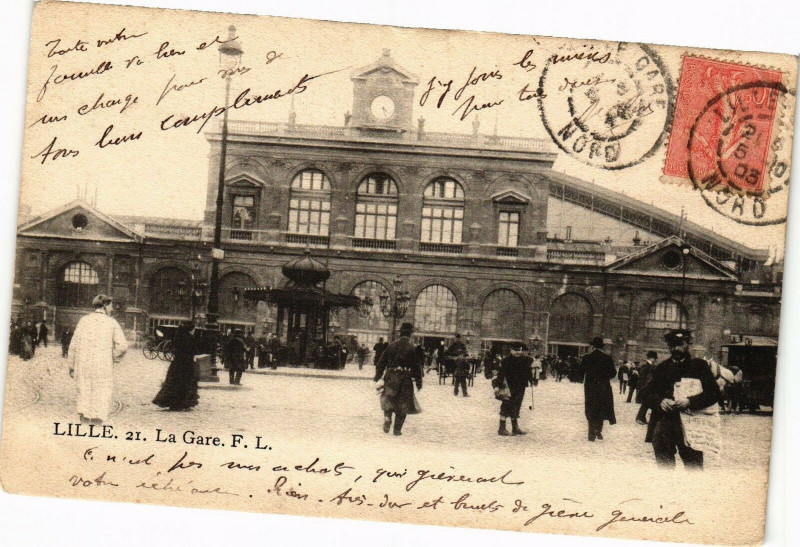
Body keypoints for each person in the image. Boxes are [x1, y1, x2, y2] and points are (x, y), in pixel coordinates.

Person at [644, 330, 720, 469]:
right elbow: (647, 393)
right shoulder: (662, 368)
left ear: (688, 344)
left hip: (692, 424)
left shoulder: (699, 366)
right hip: (665, 422)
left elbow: (714, 393)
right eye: (672, 345)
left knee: (694, 467)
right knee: (664, 468)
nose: (675, 349)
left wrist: (690, 401)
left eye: (679, 344)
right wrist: (660, 401)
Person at [67, 294, 128, 424]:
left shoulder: (84, 320)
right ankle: (96, 422)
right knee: (100, 392)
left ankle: (83, 422)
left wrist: (71, 366)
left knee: (84, 391)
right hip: (102, 366)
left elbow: (73, 345)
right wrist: (111, 356)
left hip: (83, 364)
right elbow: (122, 346)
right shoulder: (111, 323)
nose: (112, 309)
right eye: (111, 306)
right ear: (105, 305)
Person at [374, 322, 423, 436]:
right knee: (403, 404)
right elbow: (417, 367)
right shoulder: (412, 348)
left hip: (391, 376)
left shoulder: (391, 346)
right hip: (405, 378)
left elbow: (381, 362)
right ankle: (397, 430)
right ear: (410, 334)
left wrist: (378, 376)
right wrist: (419, 383)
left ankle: (387, 417)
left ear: (400, 333)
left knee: (389, 400)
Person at [153, 322, 200, 411]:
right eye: (193, 329)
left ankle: (173, 402)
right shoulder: (189, 338)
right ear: (190, 330)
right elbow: (193, 350)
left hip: (177, 364)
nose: (194, 331)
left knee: (174, 383)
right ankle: (182, 403)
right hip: (186, 364)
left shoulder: (179, 337)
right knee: (185, 383)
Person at [579, 337, 616, 441]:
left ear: (593, 346)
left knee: (591, 408)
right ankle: (598, 429)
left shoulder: (587, 357)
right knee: (601, 408)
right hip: (603, 386)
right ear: (602, 346)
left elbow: (581, 371)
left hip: (590, 387)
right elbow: (613, 373)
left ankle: (591, 433)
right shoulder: (607, 358)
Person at [492, 342, 533, 436]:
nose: (518, 352)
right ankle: (501, 428)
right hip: (508, 387)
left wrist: (531, 379)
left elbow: (529, 370)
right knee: (506, 405)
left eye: (519, 350)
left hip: (520, 386)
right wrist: (497, 385)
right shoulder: (506, 361)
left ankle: (515, 428)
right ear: (511, 350)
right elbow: (501, 374)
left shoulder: (525, 360)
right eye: (515, 350)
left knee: (517, 405)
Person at [635, 351, 657, 424]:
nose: (655, 360)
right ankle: (639, 418)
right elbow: (642, 378)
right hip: (645, 387)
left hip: (648, 387)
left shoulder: (650, 365)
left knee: (646, 402)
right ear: (652, 358)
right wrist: (641, 388)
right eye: (654, 358)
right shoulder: (645, 365)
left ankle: (642, 418)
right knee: (646, 402)